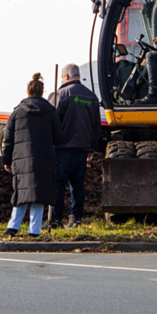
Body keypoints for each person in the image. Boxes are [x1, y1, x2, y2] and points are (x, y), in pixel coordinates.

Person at [2, 73, 64, 237]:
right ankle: (34, 231)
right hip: (44, 159)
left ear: (28, 92)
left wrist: (6, 160)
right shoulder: (50, 112)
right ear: (42, 92)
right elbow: (59, 138)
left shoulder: (17, 112)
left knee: (21, 192)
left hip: (21, 159)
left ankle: (12, 227)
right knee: (39, 195)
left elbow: (8, 139)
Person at [50, 64, 101, 229]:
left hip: (63, 149)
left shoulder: (61, 95)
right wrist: (92, 147)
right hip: (83, 149)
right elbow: (96, 125)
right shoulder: (91, 96)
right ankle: (75, 218)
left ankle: (56, 219)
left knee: (58, 184)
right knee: (78, 185)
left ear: (65, 77)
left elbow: (52, 121)